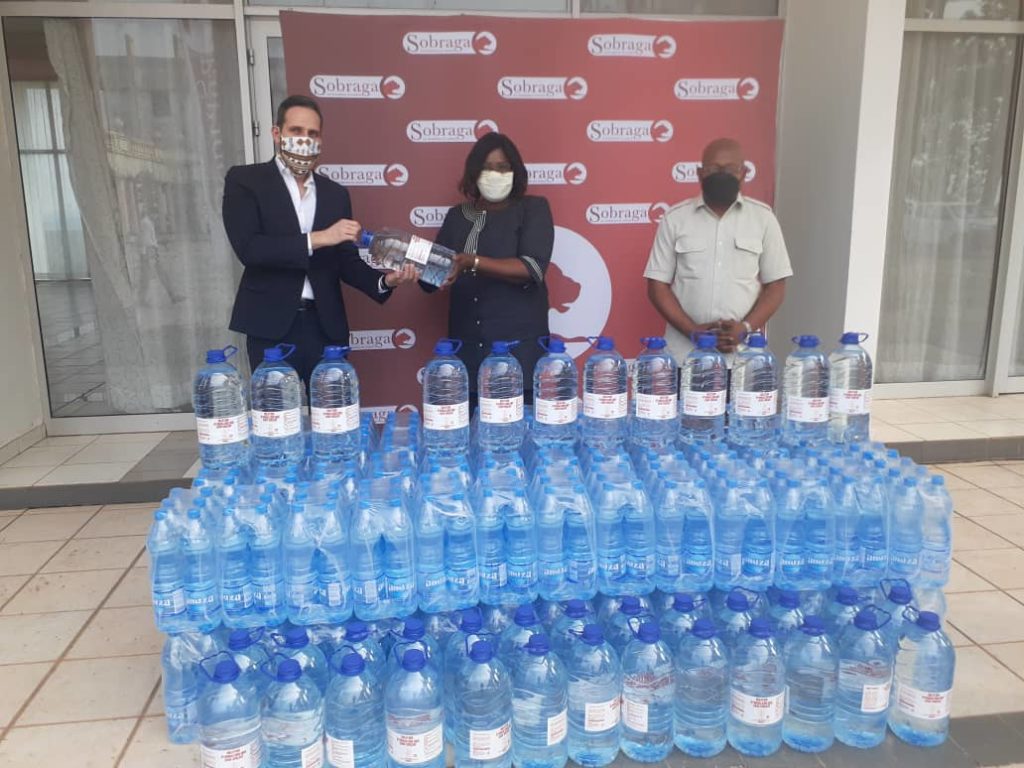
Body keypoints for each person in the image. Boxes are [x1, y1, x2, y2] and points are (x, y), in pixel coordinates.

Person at [222, 94, 417, 385]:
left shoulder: (335, 194)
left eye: (312, 133)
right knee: (276, 412)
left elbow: (346, 261)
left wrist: (385, 281)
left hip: (325, 327)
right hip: (270, 326)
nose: (305, 139)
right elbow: (250, 249)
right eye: (296, 131)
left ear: (321, 140)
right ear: (277, 133)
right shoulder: (246, 181)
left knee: (334, 412)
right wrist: (320, 238)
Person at [430, 132, 554, 408]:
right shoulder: (457, 216)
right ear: (474, 173)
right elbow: (435, 274)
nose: (494, 174)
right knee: (470, 426)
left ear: (515, 172)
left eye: (502, 167)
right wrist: (412, 264)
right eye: (486, 167)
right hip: (467, 351)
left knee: (517, 427)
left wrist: (472, 261)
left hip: (519, 351)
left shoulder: (533, 209)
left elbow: (532, 267)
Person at [644, 137, 792, 364]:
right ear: (699, 173)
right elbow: (657, 285)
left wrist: (745, 328)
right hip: (685, 356)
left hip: (743, 359)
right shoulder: (675, 218)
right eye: (713, 169)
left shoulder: (763, 219)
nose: (722, 175)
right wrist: (692, 331)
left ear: (743, 173)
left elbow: (776, 285)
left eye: (730, 169)